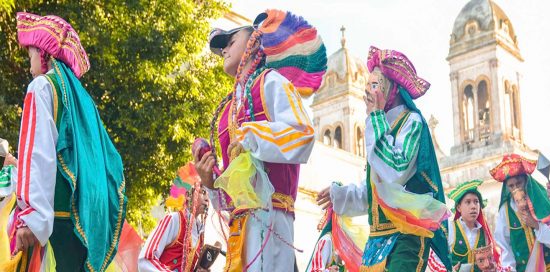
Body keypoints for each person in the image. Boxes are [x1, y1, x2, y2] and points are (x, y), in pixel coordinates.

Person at [198, 9, 327, 272]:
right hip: (239, 229)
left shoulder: (272, 82)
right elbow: (229, 199)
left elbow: (303, 135)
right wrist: (210, 183)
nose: (223, 50)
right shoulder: (227, 113)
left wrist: (252, 136)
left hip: (273, 217)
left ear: (254, 42)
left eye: (230, 42)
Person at [317, 46, 451, 271]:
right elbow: (374, 190)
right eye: (369, 85)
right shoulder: (378, 127)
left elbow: (394, 171)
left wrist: (375, 117)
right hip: (376, 242)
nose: (369, 91)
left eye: (376, 85)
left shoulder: (412, 122)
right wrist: (339, 195)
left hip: (406, 237)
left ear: (394, 88)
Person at [10, 12, 126, 271]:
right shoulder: (83, 101)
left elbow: (36, 154)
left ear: (44, 54)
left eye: (30, 56)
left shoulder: (42, 87)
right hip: (84, 226)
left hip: (53, 226)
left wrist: (31, 217)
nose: (30, 67)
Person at [491, 154, 550, 272]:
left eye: (519, 183)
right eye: (511, 186)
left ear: (526, 180)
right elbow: (505, 246)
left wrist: (536, 225)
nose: (516, 188)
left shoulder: (543, 199)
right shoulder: (504, 211)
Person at [138, 172, 209, 272]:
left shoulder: (200, 232)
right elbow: (146, 259)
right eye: (203, 192)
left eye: (208, 195)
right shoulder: (173, 219)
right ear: (188, 195)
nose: (207, 199)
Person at [445, 180, 499, 272]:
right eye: (468, 202)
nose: (473, 206)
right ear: (459, 207)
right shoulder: (450, 228)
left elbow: (491, 261)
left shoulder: (484, 232)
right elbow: (436, 259)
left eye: (476, 202)